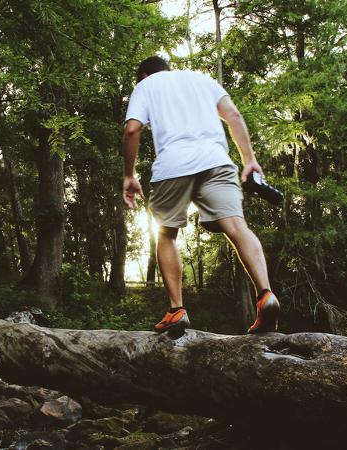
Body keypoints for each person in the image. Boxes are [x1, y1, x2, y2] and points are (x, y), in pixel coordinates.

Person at [121, 56, 279, 336]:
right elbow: (234, 116)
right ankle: (266, 295)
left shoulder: (146, 86)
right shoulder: (202, 80)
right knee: (237, 226)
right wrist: (249, 160)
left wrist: (129, 175)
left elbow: (132, 129)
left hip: (173, 166)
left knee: (166, 234)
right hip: (216, 161)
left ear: (144, 75)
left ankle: (176, 310)